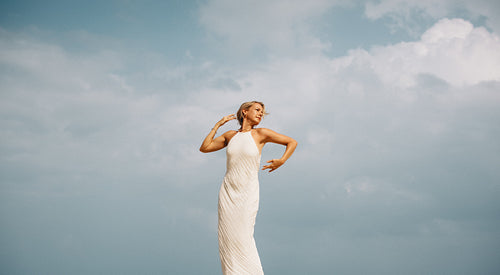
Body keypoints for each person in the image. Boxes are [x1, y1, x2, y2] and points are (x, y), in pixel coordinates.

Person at [200, 101, 297, 275]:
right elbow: (205, 148)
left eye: (263, 112)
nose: (261, 114)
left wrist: (282, 161)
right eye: (257, 110)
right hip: (228, 192)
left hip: (247, 191)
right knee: (227, 237)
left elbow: (292, 142)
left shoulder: (261, 134)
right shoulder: (230, 136)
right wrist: (217, 125)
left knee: (243, 235)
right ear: (245, 112)